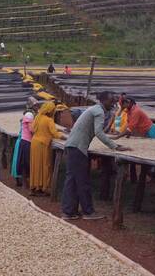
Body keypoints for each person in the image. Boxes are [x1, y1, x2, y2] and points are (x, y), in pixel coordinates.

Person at [61, 91, 130, 220]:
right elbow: (98, 132)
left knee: (72, 180)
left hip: (72, 145)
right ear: (103, 100)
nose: (113, 103)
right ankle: (88, 212)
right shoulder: (99, 111)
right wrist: (115, 146)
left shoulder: (94, 109)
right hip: (78, 148)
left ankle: (69, 211)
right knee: (82, 181)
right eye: (111, 101)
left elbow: (98, 131)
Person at [29, 102, 66, 196]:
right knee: (45, 165)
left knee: (36, 165)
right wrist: (65, 136)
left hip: (34, 143)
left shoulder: (38, 117)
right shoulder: (49, 120)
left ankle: (34, 187)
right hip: (43, 144)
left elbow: (33, 129)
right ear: (51, 111)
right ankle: (43, 188)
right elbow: (55, 134)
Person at [12, 97, 39, 187]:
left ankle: (24, 182)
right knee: (25, 162)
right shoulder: (29, 115)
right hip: (27, 141)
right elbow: (31, 129)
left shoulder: (31, 114)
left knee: (24, 161)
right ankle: (25, 183)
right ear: (32, 106)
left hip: (25, 140)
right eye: (36, 105)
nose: (37, 107)